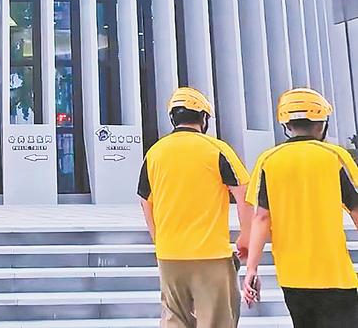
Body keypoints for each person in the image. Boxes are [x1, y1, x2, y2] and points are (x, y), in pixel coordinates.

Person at [137, 87, 254, 327]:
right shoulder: (217, 149)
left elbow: (145, 200)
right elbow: (244, 193)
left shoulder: (155, 153)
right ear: (204, 118)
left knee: (174, 319)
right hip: (211, 255)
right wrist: (246, 236)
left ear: (173, 118)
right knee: (216, 320)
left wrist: (158, 239)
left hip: (169, 255)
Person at [243, 88, 358, 327]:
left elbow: (261, 218)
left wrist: (251, 268)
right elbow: (356, 210)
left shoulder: (268, 160)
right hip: (334, 274)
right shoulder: (335, 156)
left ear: (286, 124)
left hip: (292, 276)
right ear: (322, 123)